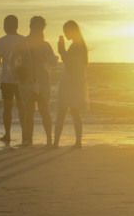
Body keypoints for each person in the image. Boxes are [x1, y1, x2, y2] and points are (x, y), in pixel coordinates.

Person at [0, 15, 26, 144]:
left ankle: (8, 134)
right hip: (22, 79)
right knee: (22, 108)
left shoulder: (2, 40)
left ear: (5, 26)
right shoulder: (24, 40)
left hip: (6, 78)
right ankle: (25, 135)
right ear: (17, 25)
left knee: (7, 108)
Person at [24, 16, 58, 147]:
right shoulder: (24, 42)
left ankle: (49, 140)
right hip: (27, 81)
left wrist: (44, 57)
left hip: (43, 81)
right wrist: (18, 71)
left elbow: (53, 63)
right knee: (29, 111)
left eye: (40, 27)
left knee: (44, 110)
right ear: (31, 27)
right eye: (35, 26)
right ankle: (29, 140)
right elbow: (15, 60)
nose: (37, 29)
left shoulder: (45, 45)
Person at [55, 20, 89, 148]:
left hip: (70, 82)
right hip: (76, 82)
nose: (65, 34)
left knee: (62, 111)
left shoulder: (76, 45)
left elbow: (68, 62)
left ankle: (56, 143)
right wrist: (63, 51)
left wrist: (62, 50)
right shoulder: (80, 45)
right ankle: (78, 143)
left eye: (66, 31)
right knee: (74, 112)